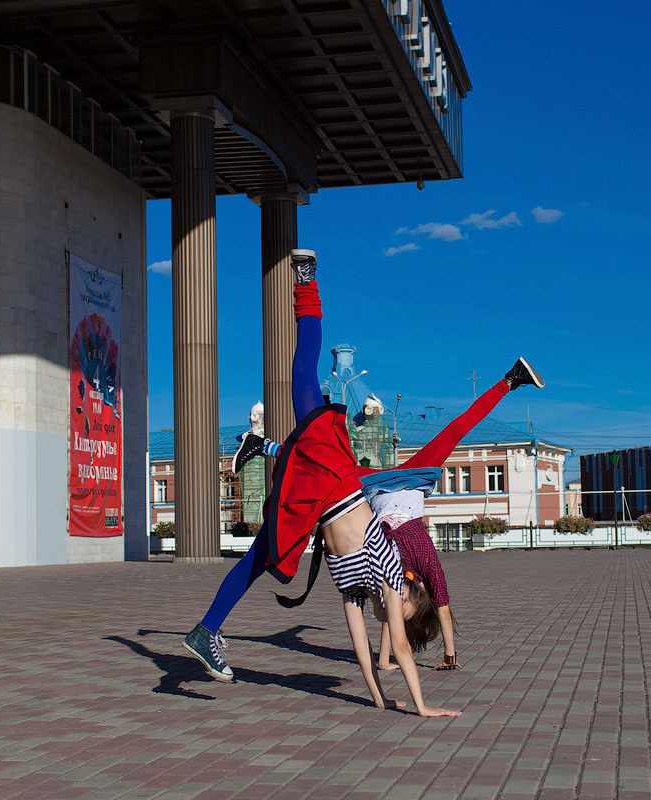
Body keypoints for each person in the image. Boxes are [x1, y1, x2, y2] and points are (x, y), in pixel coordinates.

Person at [185, 250, 457, 717]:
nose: (390, 623)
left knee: (259, 558)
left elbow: (362, 655)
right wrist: (422, 707)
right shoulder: (391, 579)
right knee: (303, 370)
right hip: (332, 476)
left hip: (314, 499)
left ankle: (207, 630)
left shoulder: (354, 591)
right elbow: (402, 654)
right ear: (408, 591)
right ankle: (306, 284)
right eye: (401, 615)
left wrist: (378, 697)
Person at [235, 359, 544, 671]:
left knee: (324, 464)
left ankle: (263, 446)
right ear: (420, 596)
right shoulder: (428, 569)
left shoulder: (400, 578)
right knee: (456, 430)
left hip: (374, 487)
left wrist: (387, 661)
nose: (414, 596)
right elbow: (443, 612)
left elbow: (392, 609)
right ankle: (509, 380)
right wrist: (450, 656)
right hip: (409, 476)